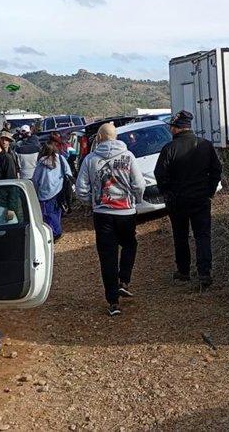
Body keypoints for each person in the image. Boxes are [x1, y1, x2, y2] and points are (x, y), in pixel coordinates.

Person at [75, 122, 145, 316]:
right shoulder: (128, 156)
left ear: (99, 138)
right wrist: (135, 201)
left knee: (107, 256)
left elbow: (80, 189)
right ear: (116, 137)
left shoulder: (90, 159)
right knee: (130, 244)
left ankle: (113, 302)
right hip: (126, 213)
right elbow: (139, 184)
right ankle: (124, 280)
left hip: (102, 214)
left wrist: (92, 203)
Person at [154, 110, 222, 289]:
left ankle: (184, 271)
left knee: (180, 236)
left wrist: (167, 193)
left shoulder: (169, 149)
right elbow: (216, 170)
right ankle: (204, 273)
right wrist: (210, 191)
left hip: (178, 201)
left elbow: (160, 174)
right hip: (200, 198)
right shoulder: (205, 145)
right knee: (202, 236)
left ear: (176, 128)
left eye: (171, 126)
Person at [31, 142, 70, 241]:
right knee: (57, 211)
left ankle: (55, 232)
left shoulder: (41, 162)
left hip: (45, 192)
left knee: (47, 213)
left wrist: (34, 191)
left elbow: (36, 179)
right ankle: (56, 231)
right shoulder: (61, 159)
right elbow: (68, 173)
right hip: (59, 190)